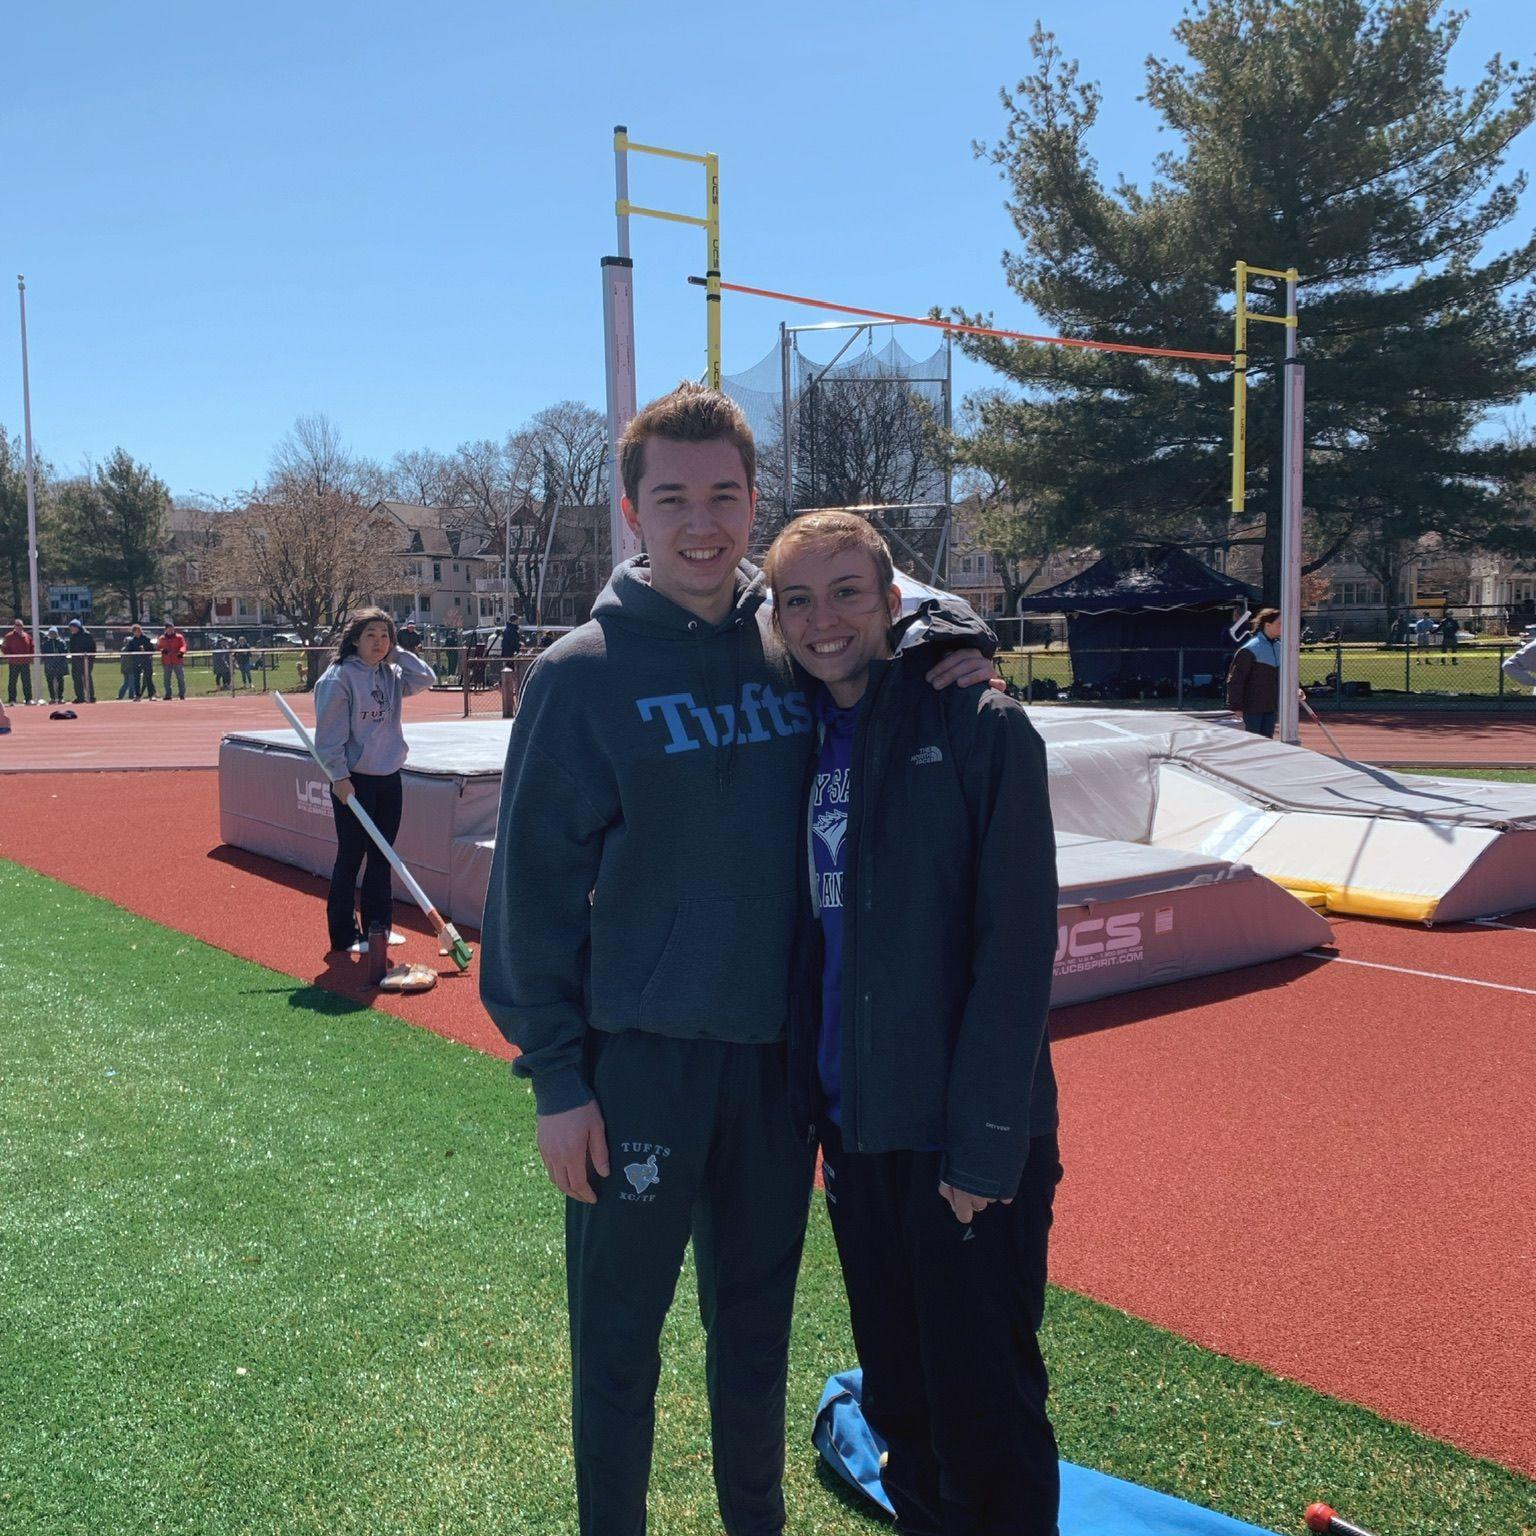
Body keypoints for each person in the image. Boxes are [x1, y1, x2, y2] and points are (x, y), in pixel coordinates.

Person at [478, 383, 993, 1536]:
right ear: (632, 511)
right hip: (637, 1068)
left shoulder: (793, 646)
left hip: (774, 1071)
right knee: (618, 1349)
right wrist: (556, 1079)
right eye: (673, 499)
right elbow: (532, 899)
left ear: (756, 502)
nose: (701, 524)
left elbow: (894, 612)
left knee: (754, 1345)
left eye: (724, 496)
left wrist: (962, 647)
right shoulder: (581, 675)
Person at [766, 510, 1061, 1536]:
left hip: (958, 1139)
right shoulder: (794, 731)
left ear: (894, 604)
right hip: (857, 1133)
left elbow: (1017, 950)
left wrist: (983, 1147)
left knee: (986, 1413)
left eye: (848, 592)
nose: (823, 619)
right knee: (902, 1403)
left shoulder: (979, 725)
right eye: (798, 600)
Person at [313, 607, 437, 954]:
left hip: (388, 776)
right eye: (371, 635)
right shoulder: (338, 679)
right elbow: (329, 737)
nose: (379, 642)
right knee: (351, 856)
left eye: (385, 635)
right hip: (354, 781)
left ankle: (378, 929)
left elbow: (426, 677)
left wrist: (396, 653)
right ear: (355, 639)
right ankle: (344, 936)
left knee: (383, 856)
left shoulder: (391, 673)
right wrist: (339, 776)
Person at [1225, 607, 1281, 736]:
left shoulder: (1280, 648)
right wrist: (1236, 707)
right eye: (1279, 624)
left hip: (1271, 708)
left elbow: (1284, 677)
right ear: (1267, 625)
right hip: (1251, 709)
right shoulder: (1250, 649)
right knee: (1251, 743)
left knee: (1267, 743)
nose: (1284, 627)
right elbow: (1236, 680)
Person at [3, 619, 34, 705]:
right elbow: (4, 648)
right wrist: (11, 656)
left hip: (25, 663)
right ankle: (12, 700)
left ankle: (28, 699)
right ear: (14, 626)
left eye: (20, 625)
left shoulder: (27, 636)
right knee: (12, 682)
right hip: (14, 663)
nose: (19, 627)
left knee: (27, 681)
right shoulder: (9, 636)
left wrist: (31, 657)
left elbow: (32, 646)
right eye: (17, 625)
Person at [66, 619, 96, 703]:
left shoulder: (87, 635)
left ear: (77, 627)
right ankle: (80, 697)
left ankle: (91, 697)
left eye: (73, 627)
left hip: (87, 660)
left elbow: (93, 648)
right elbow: (71, 649)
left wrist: (89, 657)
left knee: (87, 678)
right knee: (77, 679)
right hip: (76, 661)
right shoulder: (72, 637)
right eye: (70, 628)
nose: (71, 629)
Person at [124, 624, 156, 699]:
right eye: (136, 631)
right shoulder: (132, 641)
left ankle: (151, 695)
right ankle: (137, 695)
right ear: (133, 632)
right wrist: (137, 650)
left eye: (139, 630)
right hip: (136, 662)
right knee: (136, 679)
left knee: (148, 678)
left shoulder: (147, 639)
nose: (138, 632)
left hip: (146, 661)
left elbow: (152, 649)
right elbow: (128, 650)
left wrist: (145, 650)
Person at [158, 622, 187, 699]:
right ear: (165, 629)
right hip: (166, 661)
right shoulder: (162, 638)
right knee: (166, 679)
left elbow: (183, 645)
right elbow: (159, 647)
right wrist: (162, 650)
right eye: (169, 629)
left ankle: (182, 694)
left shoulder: (179, 637)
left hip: (177, 661)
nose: (171, 630)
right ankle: (168, 694)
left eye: (172, 629)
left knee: (180, 678)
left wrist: (181, 652)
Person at [41, 626, 68, 704]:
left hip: (59, 665)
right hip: (49, 665)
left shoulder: (61, 642)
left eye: (54, 633)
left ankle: (60, 697)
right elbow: (43, 653)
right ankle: (52, 697)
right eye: (51, 633)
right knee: (50, 681)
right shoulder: (46, 643)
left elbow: (65, 651)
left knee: (60, 681)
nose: (52, 634)